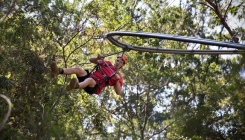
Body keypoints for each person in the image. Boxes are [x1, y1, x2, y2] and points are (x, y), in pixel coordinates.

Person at [50, 54, 127, 95]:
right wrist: (97, 58)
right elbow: (91, 60)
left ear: (122, 65)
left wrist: (117, 80)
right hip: (90, 77)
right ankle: (57, 71)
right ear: (115, 60)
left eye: (120, 62)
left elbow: (118, 92)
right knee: (78, 69)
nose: (118, 63)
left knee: (89, 80)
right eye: (117, 60)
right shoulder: (108, 64)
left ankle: (75, 86)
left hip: (95, 86)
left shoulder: (118, 76)